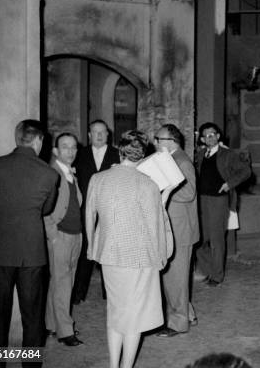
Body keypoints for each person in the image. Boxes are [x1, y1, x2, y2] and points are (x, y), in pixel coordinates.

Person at [85, 130, 170, 368]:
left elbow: (89, 216)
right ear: (143, 156)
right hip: (140, 257)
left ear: (120, 150)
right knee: (135, 316)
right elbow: (155, 226)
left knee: (116, 310)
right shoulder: (148, 183)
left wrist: (92, 248)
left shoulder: (98, 179)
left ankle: (114, 365)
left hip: (109, 255)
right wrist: (161, 256)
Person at [0, 120, 59, 361]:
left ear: (18, 138)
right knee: (33, 317)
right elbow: (46, 209)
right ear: (38, 141)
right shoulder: (49, 173)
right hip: (32, 254)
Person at [154, 124, 199, 337]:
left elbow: (189, 192)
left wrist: (162, 187)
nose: (155, 142)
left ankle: (177, 324)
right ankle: (187, 314)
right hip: (174, 227)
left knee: (175, 278)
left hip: (181, 230)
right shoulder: (171, 159)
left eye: (159, 138)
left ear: (172, 141)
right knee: (174, 278)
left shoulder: (181, 161)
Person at [194, 122, 251, 287]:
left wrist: (229, 184)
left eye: (212, 134)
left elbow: (246, 171)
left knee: (216, 240)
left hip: (219, 201)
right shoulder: (200, 154)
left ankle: (217, 276)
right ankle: (207, 269)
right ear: (202, 139)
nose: (208, 138)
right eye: (205, 136)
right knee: (199, 239)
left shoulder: (228, 154)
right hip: (202, 200)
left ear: (218, 136)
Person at [73, 119, 120, 304]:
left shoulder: (117, 155)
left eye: (103, 132)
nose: (99, 135)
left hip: (110, 210)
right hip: (85, 210)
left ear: (108, 134)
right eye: (95, 132)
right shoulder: (79, 155)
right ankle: (78, 292)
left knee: (108, 252)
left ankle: (109, 294)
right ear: (89, 135)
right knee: (85, 250)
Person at [44, 133, 83, 346]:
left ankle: (51, 325)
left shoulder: (70, 174)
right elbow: (43, 208)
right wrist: (53, 235)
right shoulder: (52, 173)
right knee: (62, 284)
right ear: (56, 151)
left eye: (73, 147)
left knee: (59, 283)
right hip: (60, 236)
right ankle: (65, 331)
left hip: (75, 235)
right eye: (65, 147)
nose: (70, 151)